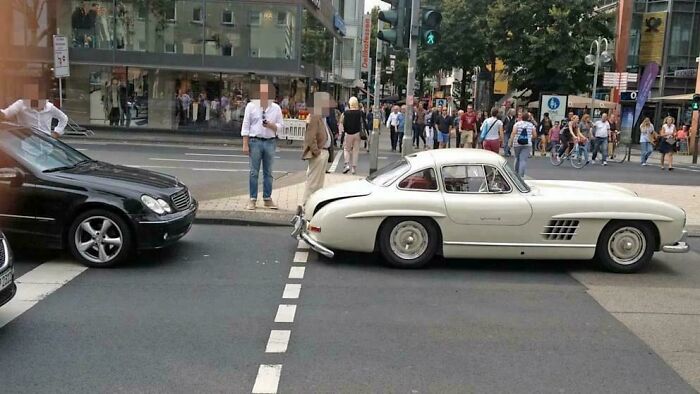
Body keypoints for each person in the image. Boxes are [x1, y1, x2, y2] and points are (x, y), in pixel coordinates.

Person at [241, 80, 284, 210]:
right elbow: (246, 125)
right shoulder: (251, 106)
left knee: (268, 172)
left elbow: (281, 127)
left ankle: (267, 198)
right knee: (254, 172)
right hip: (255, 141)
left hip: (270, 141)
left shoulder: (276, 108)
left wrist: (271, 125)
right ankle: (252, 199)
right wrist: (245, 144)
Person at [0, 86, 68, 139]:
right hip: (28, 145)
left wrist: (57, 133)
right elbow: (6, 114)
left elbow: (63, 118)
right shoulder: (21, 104)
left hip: (47, 145)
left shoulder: (49, 107)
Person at [302, 92, 332, 204]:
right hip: (319, 153)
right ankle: (304, 205)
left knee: (318, 184)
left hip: (323, 151)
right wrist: (316, 151)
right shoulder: (315, 116)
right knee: (313, 183)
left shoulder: (322, 117)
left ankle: (311, 204)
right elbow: (310, 136)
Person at [341, 97, 363, 174]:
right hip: (357, 133)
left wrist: (344, 131)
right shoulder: (360, 113)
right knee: (355, 151)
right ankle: (354, 168)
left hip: (348, 133)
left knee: (347, 149)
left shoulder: (346, 113)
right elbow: (363, 123)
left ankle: (347, 165)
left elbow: (342, 123)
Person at [511, 112, 537, 177]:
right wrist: (530, 137)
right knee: (523, 160)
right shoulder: (531, 125)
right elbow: (535, 135)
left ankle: (516, 173)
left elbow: (514, 133)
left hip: (517, 143)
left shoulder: (517, 124)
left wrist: (511, 141)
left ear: (521, 117)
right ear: (528, 118)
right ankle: (521, 175)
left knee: (517, 158)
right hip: (527, 144)